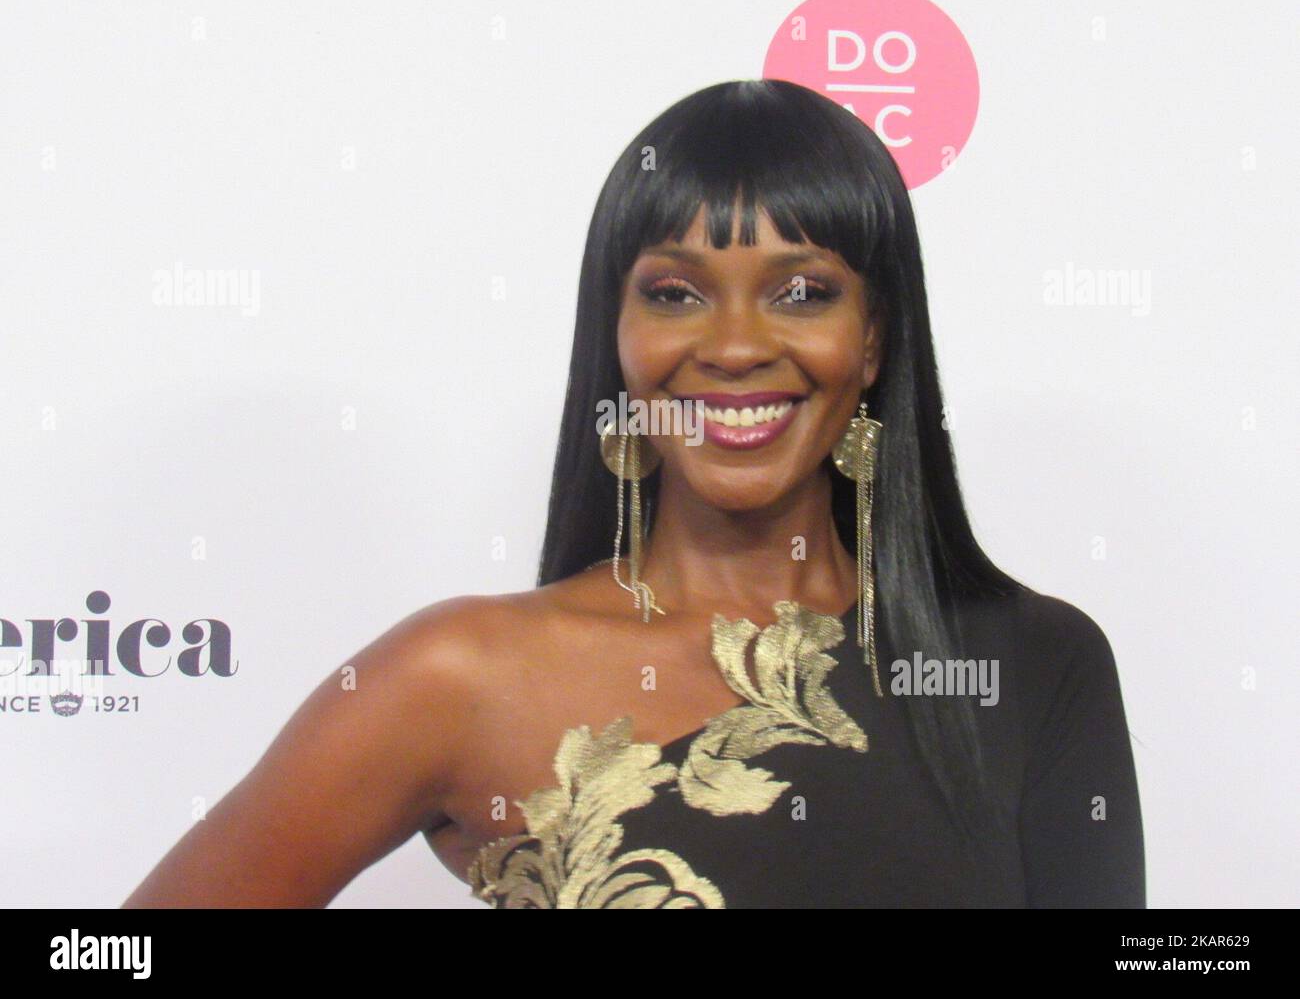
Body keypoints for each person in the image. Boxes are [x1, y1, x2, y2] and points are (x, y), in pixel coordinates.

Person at [122, 79, 1144, 909]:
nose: (737, 345)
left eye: (803, 293)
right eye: (674, 293)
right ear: (615, 337)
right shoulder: (462, 675)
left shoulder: (1033, 663)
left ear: (872, 338)